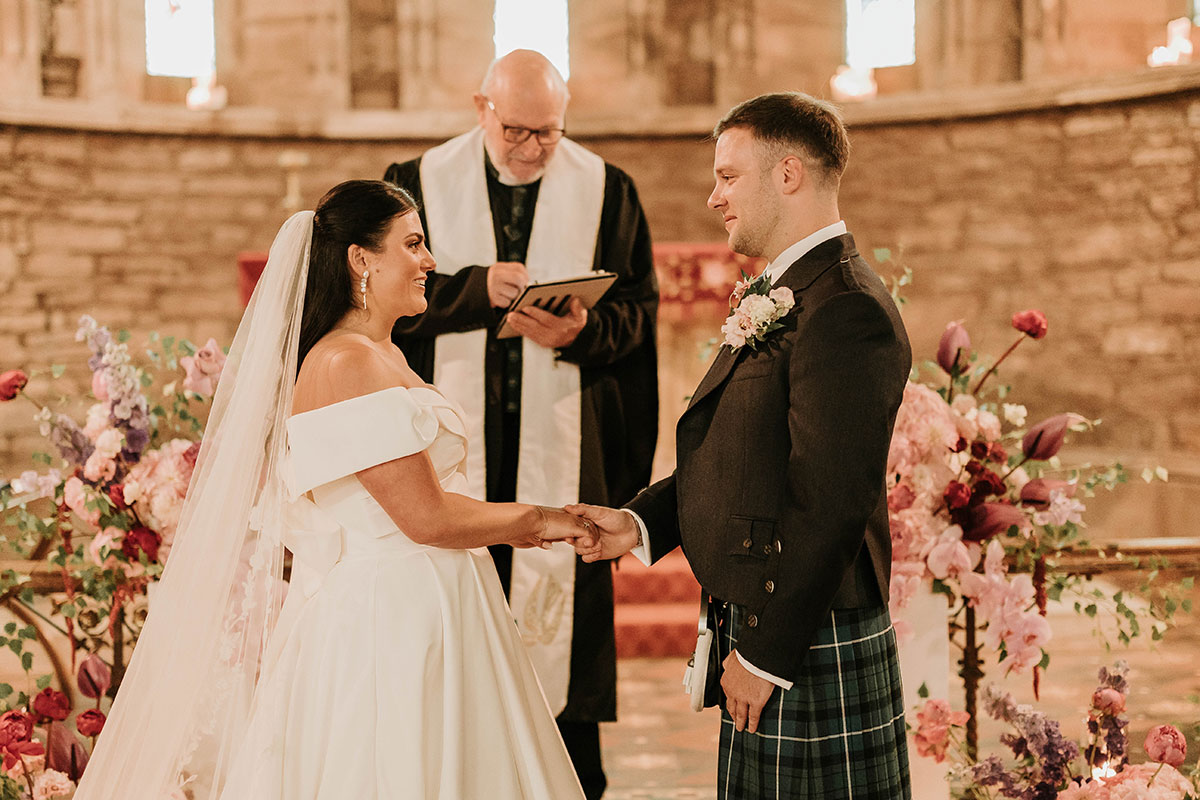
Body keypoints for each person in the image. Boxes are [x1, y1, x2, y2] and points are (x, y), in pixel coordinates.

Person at [76, 180, 596, 800]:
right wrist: (545, 521)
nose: (430, 261)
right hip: (392, 616)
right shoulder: (346, 363)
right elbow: (425, 517)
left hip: (432, 598)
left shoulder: (382, 353)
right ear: (361, 258)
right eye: (414, 243)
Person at [567, 92, 914, 799]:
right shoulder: (792, 289)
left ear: (787, 174)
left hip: (803, 634)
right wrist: (638, 523)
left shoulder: (844, 306)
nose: (712, 196)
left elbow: (831, 502)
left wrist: (764, 656)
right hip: (770, 618)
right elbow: (738, 450)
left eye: (728, 176)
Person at [383, 49, 659, 797]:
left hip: (566, 445)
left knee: (557, 626)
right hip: (443, 455)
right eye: (516, 130)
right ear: (481, 109)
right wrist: (474, 291)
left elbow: (638, 313)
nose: (533, 149)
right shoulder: (413, 185)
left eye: (550, 133)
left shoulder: (608, 190)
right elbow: (371, 302)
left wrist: (582, 334)